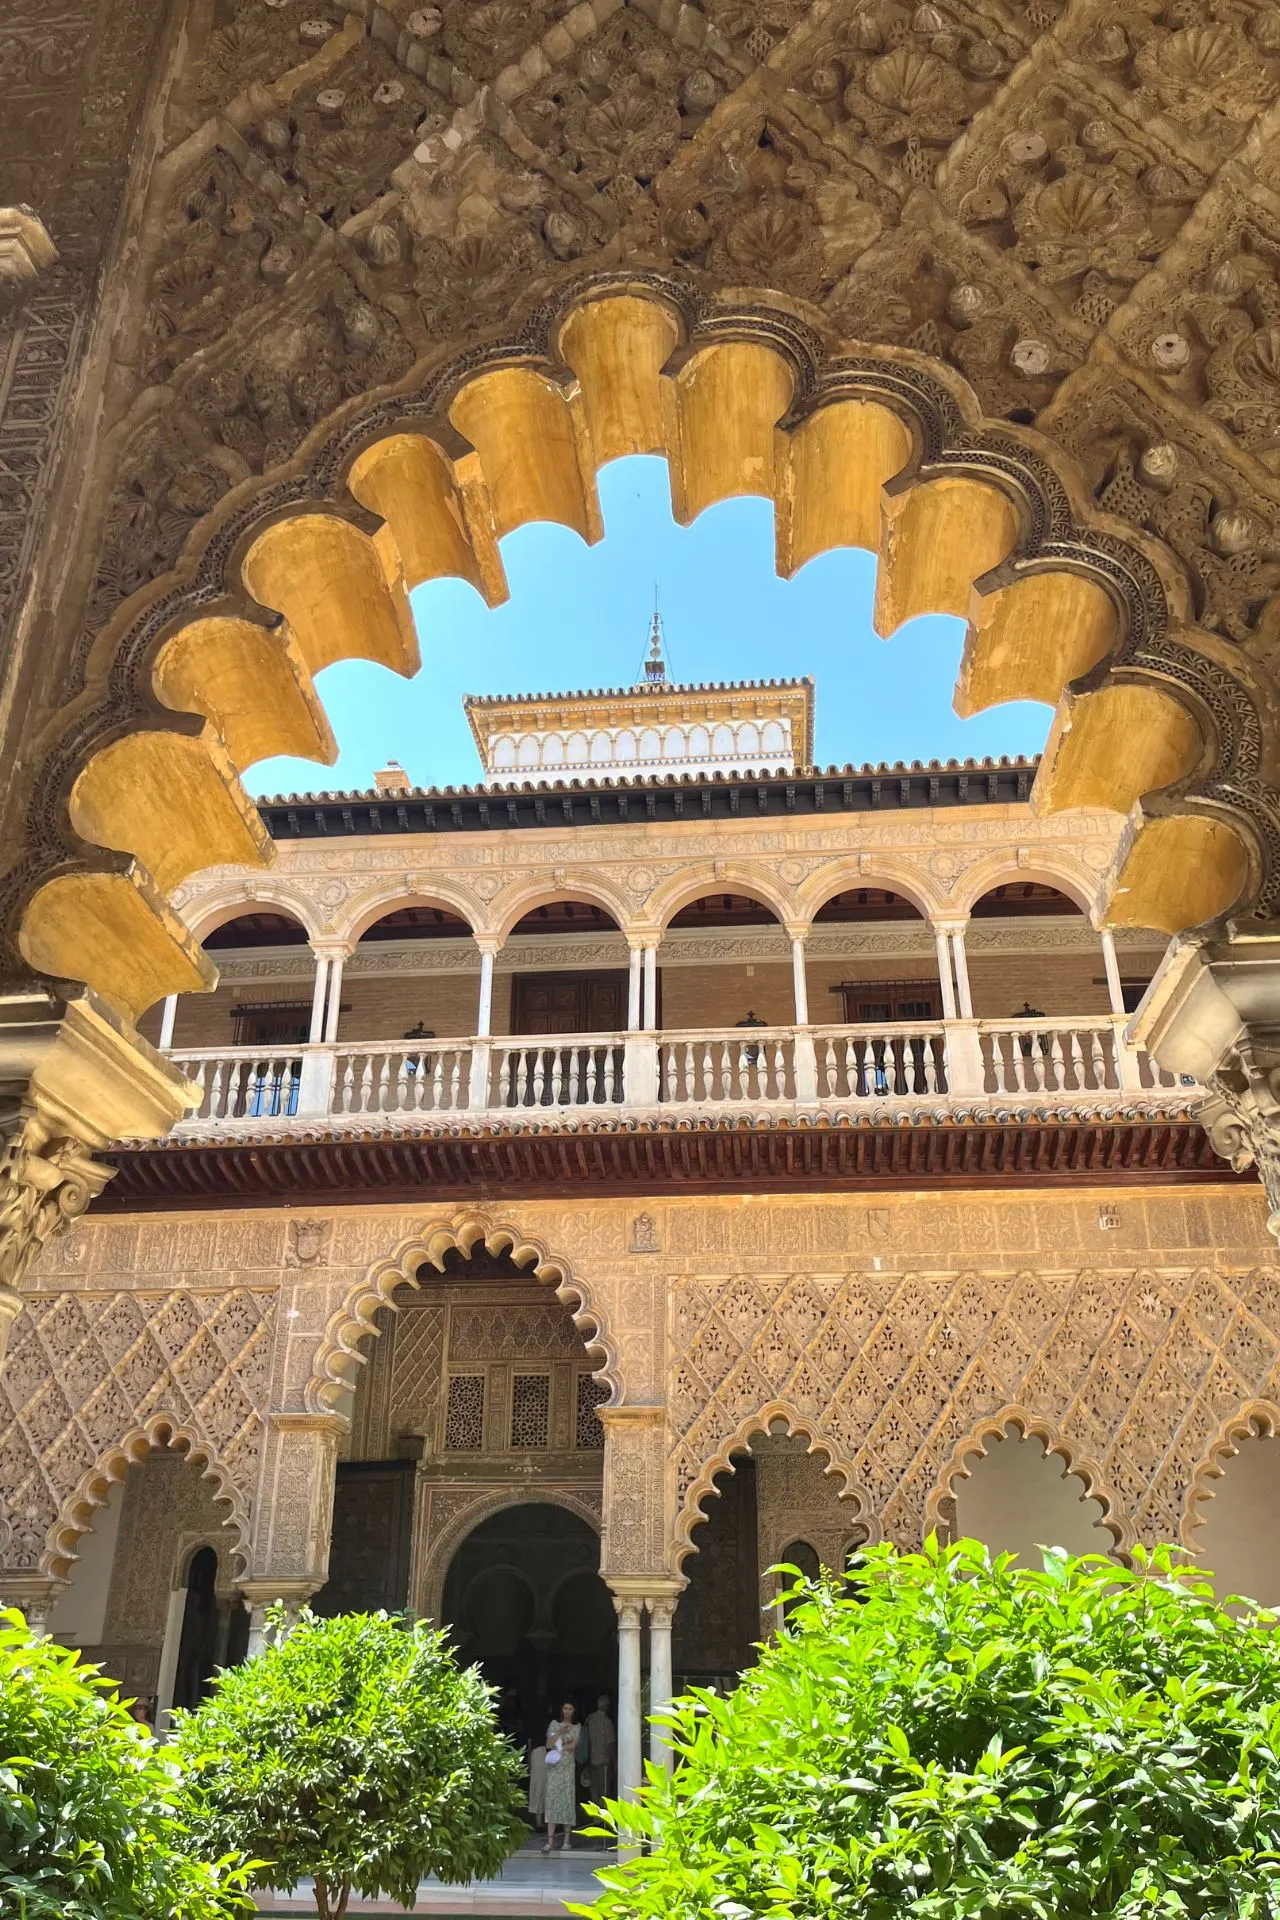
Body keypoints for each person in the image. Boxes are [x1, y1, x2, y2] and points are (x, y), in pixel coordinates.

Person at [541, 1699, 581, 1852]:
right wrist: (559, 1732)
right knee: (552, 1799)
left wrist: (562, 1747)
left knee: (567, 1800)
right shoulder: (554, 1724)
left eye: (570, 1708)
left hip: (567, 1767)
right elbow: (548, 1744)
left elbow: (573, 1745)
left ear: (574, 1711)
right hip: (554, 1767)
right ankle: (550, 1842)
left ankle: (566, 1840)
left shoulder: (577, 1727)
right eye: (565, 1708)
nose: (567, 1711)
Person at [583, 1694, 616, 1810]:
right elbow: (610, 1745)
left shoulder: (589, 1719)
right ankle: (602, 1816)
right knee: (604, 1791)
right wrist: (615, 1762)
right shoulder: (607, 1722)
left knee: (594, 1790)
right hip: (604, 1762)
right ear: (607, 1706)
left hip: (592, 1760)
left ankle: (594, 1815)